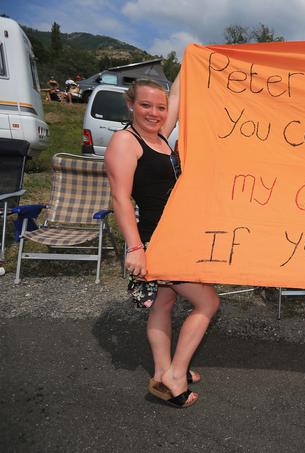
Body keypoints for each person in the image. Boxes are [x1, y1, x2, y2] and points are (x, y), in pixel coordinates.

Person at [105, 79, 221, 408]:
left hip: (174, 238)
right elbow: (121, 199)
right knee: (208, 303)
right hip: (154, 242)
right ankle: (176, 374)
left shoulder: (158, 136)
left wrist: (194, 59)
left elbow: (178, 94)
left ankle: (161, 373)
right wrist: (136, 248)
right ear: (131, 105)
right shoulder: (126, 141)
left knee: (164, 305)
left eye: (160, 107)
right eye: (145, 105)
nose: (154, 112)